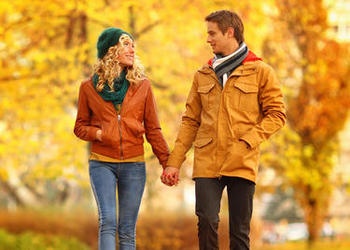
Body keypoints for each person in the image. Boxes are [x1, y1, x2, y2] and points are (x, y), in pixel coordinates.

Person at [161, 10, 286, 250]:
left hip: (242, 158)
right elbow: (190, 121)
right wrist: (173, 162)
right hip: (207, 159)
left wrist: (248, 140)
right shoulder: (202, 75)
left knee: (239, 231)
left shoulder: (261, 71)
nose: (208, 39)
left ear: (230, 32)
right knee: (207, 220)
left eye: (212, 33)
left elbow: (277, 114)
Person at [74, 27, 169, 250]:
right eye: (126, 44)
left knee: (127, 229)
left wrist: (167, 163)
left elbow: (153, 129)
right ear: (110, 50)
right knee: (107, 221)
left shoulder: (142, 86)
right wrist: (98, 133)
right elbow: (79, 127)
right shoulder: (88, 88)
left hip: (134, 164)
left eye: (133, 44)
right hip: (101, 163)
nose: (132, 48)